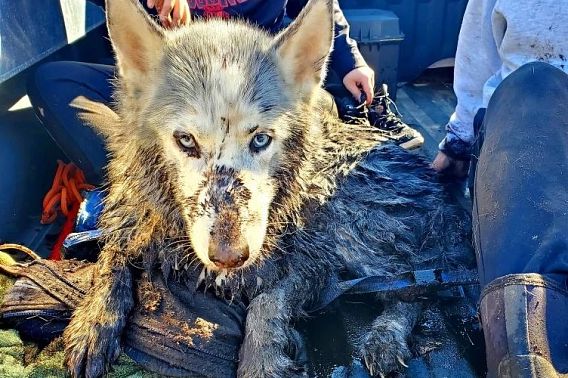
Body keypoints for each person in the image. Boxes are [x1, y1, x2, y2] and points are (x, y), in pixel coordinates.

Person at [432, 1, 568, 376]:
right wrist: (458, 143)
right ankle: (531, 357)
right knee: (533, 83)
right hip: (521, 129)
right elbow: (478, 61)